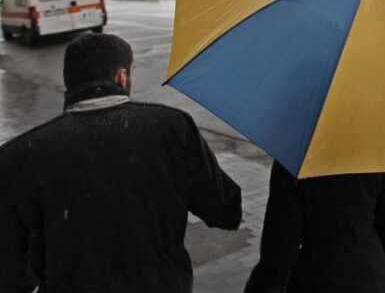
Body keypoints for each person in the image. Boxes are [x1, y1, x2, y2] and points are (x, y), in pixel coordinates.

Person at [0, 33, 242, 292]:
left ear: (69, 80)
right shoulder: (171, 127)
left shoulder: (19, 156)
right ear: (122, 76)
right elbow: (225, 211)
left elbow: (10, 270)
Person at [244, 161, 385, 293]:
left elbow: (280, 250)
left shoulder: (295, 163)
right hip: (371, 272)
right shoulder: (366, 153)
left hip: (320, 275)